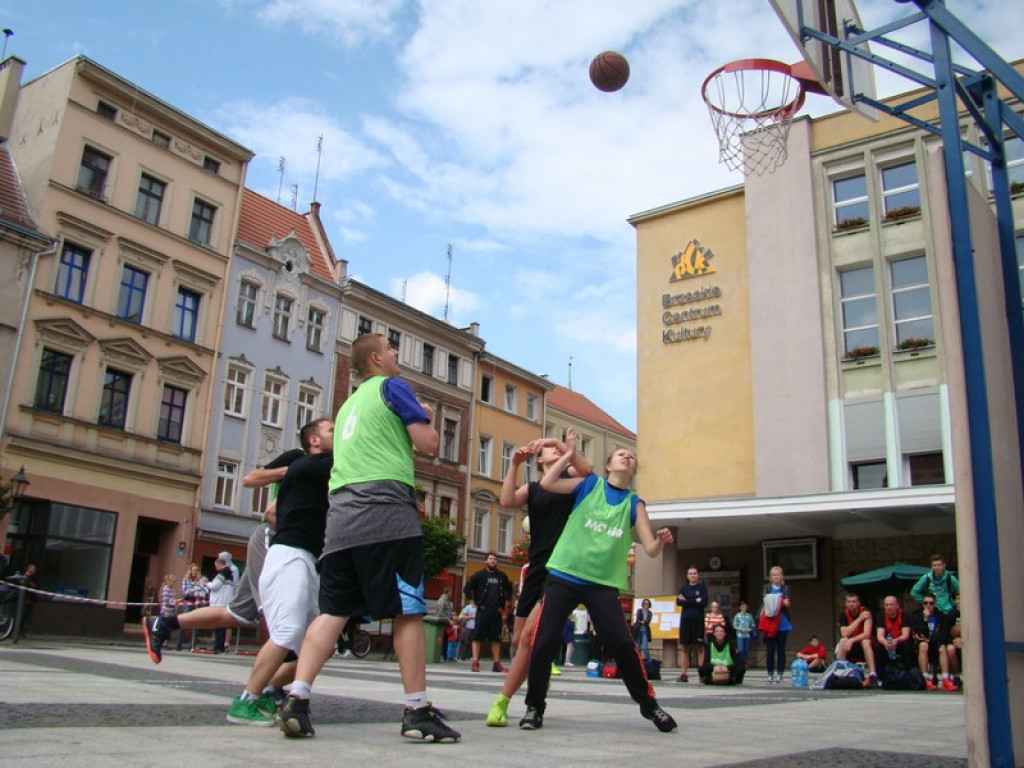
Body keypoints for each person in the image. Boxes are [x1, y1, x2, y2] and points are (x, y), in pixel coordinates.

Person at [275, 332, 461, 743]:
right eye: (392, 348)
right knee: (408, 609)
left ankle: (297, 700)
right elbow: (428, 444)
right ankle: (416, 710)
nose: (398, 354)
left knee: (333, 611)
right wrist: (422, 416)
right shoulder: (394, 387)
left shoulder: (346, 409)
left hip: (341, 520)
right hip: (386, 516)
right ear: (377, 358)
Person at [520, 440, 677, 733]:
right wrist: (565, 451)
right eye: (621, 454)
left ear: (633, 470)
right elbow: (548, 482)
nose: (627, 457)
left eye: (631, 457)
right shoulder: (589, 484)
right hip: (566, 574)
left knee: (621, 644)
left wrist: (660, 540)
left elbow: (651, 548)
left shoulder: (634, 503)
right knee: (543, 641)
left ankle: (650, 706)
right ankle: (534, 707)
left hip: (602, 584)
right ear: (608, 465)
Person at [142, 448, 305, 663]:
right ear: (313, 439)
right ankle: (269, 682)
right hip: (275, 541)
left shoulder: (329, 467)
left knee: (236, 614)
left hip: (286, 545)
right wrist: (290, 471)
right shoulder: (300, 459)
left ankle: (163, 623)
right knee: (277, 610)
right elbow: (252, 483)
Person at [226, 419, 334, 726]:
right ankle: (245, 701)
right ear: (313, 440)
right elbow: (252, 482)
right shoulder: (310, 463)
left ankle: (269, 689)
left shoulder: (321, 466)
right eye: (331, 430)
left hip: (308, 560)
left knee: (320, 645)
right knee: (286, 633)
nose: (338, 434)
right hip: (290, 554)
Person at [485, 434, 593, 726]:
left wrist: (558, 444)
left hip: (560, 570)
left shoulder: (571, 482)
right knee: (521, 639)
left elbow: (588, 471)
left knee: (530, 637)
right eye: (548, 450)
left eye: (556, 448)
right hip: (535, 569)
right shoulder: (533, 488)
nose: (554, 451)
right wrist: (514, 465)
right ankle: (539, 675)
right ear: (540, 460)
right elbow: (506, 500)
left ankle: (503, 701)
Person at [464, 552, 512, 673]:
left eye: (495, 559)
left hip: (496, 611)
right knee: (477, 637)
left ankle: (496, 663)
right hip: (482, 611)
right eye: (491, 559)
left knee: (496, 638)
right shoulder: (479, 575)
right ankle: (475, 662)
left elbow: (509, 589)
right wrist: (473, 601)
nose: (493, 561)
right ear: (486, 561)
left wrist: (506, 602)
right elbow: (467, 588)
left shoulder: (502, 576)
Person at [911, 595, 956, 691]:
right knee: (923, 645)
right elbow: (920, 633)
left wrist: (931, 640)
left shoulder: (940, 616)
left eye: (931, 603)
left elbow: (943, 633)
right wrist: (925, 620)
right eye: (925, 603)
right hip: (923, 644)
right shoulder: (917, 616)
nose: (928, 605)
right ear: (922, 604)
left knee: (942, 647)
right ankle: (926, 679)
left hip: (936, 642)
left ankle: (945, 679)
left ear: (934, 604)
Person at [836, 592, 879, 688]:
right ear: (846, 604)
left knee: (866, 641)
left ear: (858, 603)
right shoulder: (843, 615)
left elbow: (867, 633)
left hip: (863, 643)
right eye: (849, 602)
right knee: (843, 641)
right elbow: (844, 633)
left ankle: (873, 674)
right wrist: (859, 619)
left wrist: (852, 640)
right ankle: (839, 672)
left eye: (854, 602)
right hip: (850, 646)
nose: (851, 604)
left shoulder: (866, 612)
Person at [760, 566, 793, 685]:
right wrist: (780, 601)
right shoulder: (767, 588)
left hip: (782, 622)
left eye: (778, 574)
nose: (776, 577)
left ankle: (780, 674)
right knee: (770, 650)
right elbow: (766, 600)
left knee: (781, 650)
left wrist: (781, 602)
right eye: (774, 575)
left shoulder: (786, 588)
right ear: (770, 577)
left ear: (782, 576)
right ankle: (770, 673)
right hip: (770, 622)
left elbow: (787, 603)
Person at [675, 565, 708, 683]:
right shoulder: (683, 588)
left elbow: (704, 602)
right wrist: (695, 600)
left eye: (694, 573)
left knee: (700, 647)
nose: (693, 575)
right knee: (685, 647)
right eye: (690, 573)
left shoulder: (702, 588)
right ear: (687, 576)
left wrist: (687, 601)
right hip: (685, 620)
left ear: (697, 575)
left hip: (698, 620)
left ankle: (702, 674)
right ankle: (684, 674)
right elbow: (678, 602)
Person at [874, 595, 915, 683]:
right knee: (878, 647)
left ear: (897, 606)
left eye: (891, 605)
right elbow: (880, 635)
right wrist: (885, 643)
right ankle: (880, 677)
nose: (889, 607)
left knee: (907, 646)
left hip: (900, 641)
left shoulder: (904, 615)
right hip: (887, 643)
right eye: (887, 605)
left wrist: (896, 641)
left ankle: (908, 674)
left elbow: (906, 634)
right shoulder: (881, 615)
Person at [208, 555, 236, 653]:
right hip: (224, 602)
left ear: (220, 564)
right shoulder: (229, 573)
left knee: (218, 626)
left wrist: (206, 583)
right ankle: (220, 646)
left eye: (216, 565)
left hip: (219, 603)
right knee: (222, 626)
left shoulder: (223, 573)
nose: (216, 568)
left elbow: (215, 586)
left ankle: (218, 647)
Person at [175, 563, 203, 651]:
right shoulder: (186, 580)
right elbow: (184, 592)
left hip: (197, 602)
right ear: (190, 571)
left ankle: (192, 645)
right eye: (193, 570)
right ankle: (179, 644)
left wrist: (196, 589)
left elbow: (202, 590)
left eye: (196, 570)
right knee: (183, 622)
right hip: (188, 601)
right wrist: (194, 589)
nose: (194, 572)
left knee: (196, 624)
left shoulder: (199, 580)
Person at [633, 599, 654, 664]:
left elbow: (647, 622)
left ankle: (649, 661)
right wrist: (643, 621)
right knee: (638, 647)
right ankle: (639, 661)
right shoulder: (639, 611)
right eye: (645, 603)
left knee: (645, 647)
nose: (646, 605)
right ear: (643, 604)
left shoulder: (650, 613)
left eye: (647, 604)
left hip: (645, 631)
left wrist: (642, 622)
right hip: (638, 630)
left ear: (649, 605)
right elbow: (638, 619)